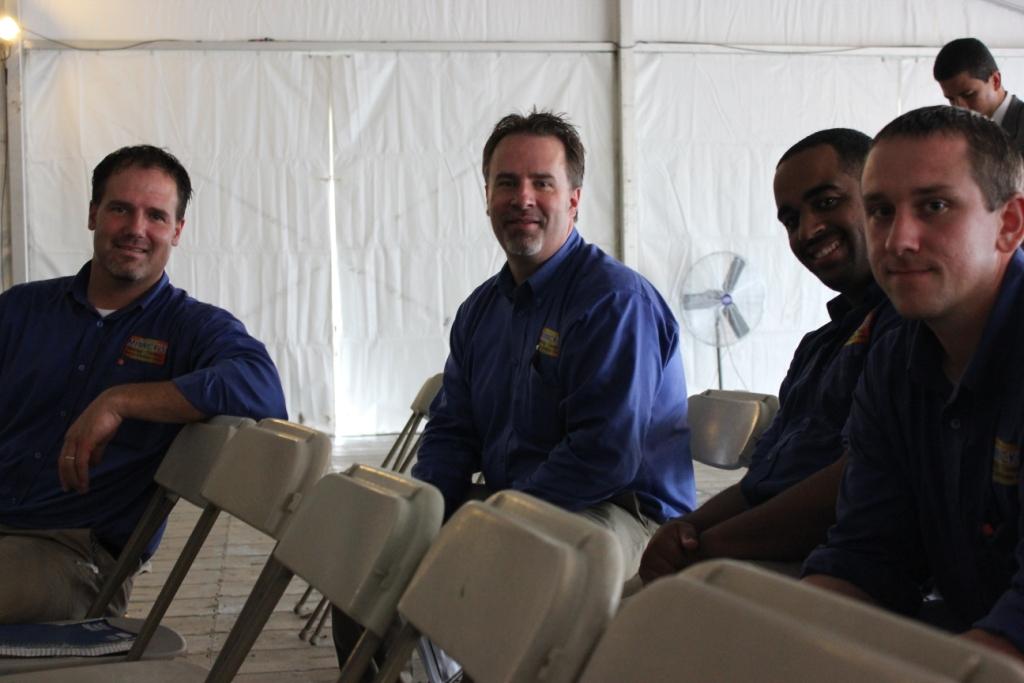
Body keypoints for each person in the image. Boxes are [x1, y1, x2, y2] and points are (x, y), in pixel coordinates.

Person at [0, 145, 287, 623]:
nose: (136, 229)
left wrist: (121, 400)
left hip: (75, 557)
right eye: (120, 209)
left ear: (177, 231)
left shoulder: (191, 328)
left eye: (155, 215)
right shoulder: (21, 311)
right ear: (93, 214)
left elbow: (260, 387)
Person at [411, 109, 695, 572]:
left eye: (542, 183)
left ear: (574, 200)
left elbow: (603, 457)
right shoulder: (479, 312)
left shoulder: (613, 303)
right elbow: (452, 431)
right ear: (486, 197)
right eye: (506, 183)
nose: (522, 198)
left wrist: (497, 516)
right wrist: (423, 512)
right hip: (518, 503)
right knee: (373, 555)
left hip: (622, 516)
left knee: (498, 565)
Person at [803, 105, 1024, 663]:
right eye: (879, 211)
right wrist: (784, 642)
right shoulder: (895, 358)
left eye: (935, 206)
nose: (898, 240)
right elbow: (868, 556)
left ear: (1010, 225)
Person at [638, 129, 900, 584]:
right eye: (790, 219)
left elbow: (854, 486)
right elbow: (764, 481)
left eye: (826, 202)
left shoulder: (907, 330)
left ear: (876, 198)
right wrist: (687, 528)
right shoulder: (818, 349)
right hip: (772, 556)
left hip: (835, 567)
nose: (809, 230)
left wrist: (711, 547)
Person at [934, 37, 1024, 151]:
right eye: (951, 99)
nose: (959, 107)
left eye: (968, 95)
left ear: (996, 80)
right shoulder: (961, 132)